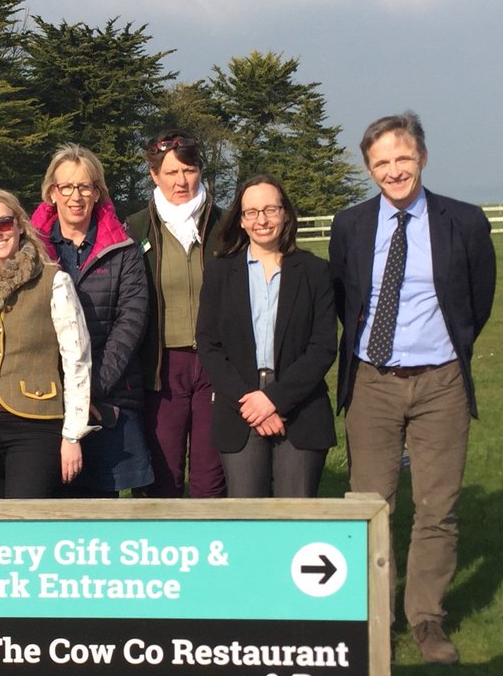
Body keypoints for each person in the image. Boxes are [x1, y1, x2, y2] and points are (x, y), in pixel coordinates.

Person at [328, 112, 496, 665]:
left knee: (437, 508)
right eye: (382, 163)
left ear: (422, 157)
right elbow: (344, 300)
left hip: (441, 382)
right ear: (369, 169)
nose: (394, 170)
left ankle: (426, 620)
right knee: (370, 506)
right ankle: (375, 618)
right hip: (372, 382)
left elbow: (477, 301)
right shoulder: (349, 226)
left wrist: (445, 352)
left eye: (403, 158)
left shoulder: (464, 222)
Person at [196, 175, 336, 497]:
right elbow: (209, 344)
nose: (262, 220)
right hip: (239, 406)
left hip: (300, 406)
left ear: (285, 213)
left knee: (296, 516)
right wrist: (251, 403)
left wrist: (274, 399)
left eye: (270, 210)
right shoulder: (219, 273)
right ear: (241, 221)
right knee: (248, 518)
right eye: (252, 212)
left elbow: (323, 346)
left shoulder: (315, 272)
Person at [30, 144, 152, 496]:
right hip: (47, 396)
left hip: (109, 393)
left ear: (97, 192)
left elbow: (130, 322)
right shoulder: (30, 250)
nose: (75, 196)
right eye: (66, 187)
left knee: (100, 510)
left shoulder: (125, 250)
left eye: (85, 186)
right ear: (52, 192)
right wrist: (64, 395)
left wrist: (90, 390)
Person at [0, 188, 93, 498]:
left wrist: (73, 436)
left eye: (4, 223)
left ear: (19, 225)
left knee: (24, 523)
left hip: (36, 424)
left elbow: (78, 360)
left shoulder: (54, 281)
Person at [125, 130, 226, 497]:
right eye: (171, 172)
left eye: (189, 169)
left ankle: (210, 548)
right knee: (161, 473)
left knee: (210, 475)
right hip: (161, 366)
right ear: (154, 175)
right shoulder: (136, 228)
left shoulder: (225, 225)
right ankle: (161, 550)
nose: (181, 180)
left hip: (215, 364)